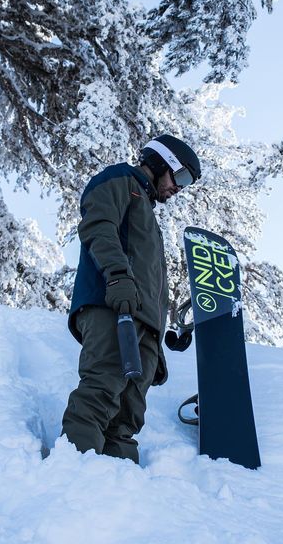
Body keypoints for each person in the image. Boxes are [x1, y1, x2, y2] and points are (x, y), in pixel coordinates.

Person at [61, 134, 201, 464]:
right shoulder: (119, 181)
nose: (179, 188)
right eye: (180, 177)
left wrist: (164, 330)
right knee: (100, 393)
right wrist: (118, 277)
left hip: (143, 323)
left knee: (126, 417)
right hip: (112, 306)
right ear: (161, 163)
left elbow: (150, 279)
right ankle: (73, 480)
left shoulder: (148, 216)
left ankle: (117, 493)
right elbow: (98, 226)